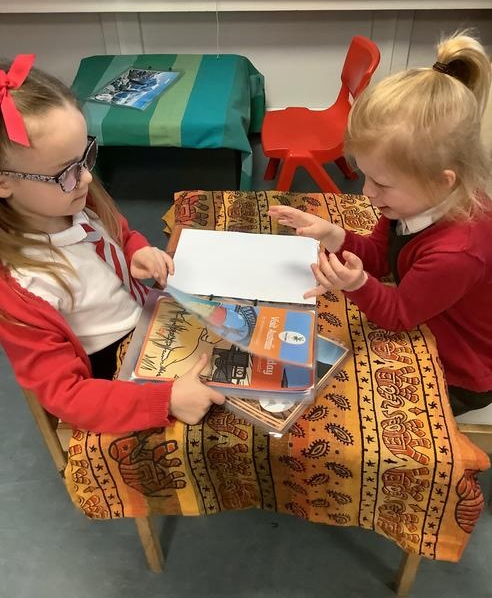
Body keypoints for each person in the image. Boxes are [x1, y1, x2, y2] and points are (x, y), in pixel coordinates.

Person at [269, 32, 492, 417]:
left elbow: (398, 315)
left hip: (461, 370)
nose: (367, 193)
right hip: (428, 312)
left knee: (338, 402)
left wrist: (356, 285)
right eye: (366, 176)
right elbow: (380, 257)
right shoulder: (415, 204)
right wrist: (332, 233)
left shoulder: (457, 253)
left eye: (382, 184)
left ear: (443, 181)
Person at [0, 54, 225, 433]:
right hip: (116, 373)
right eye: (65, 172)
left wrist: (136, 251)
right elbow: (68, 395)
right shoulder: (23, 287)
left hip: (148, 318)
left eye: (86, 156)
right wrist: (166, 400)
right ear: (4, 182)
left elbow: (118, 233)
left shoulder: (75, 200)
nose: (86, 178)